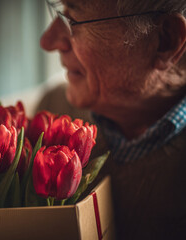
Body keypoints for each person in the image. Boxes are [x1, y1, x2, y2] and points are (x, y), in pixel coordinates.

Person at [37, 0, 186, 239]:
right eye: (62, 13)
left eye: (74, 20)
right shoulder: (52, 111)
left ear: (165, 41)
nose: (47, 41)